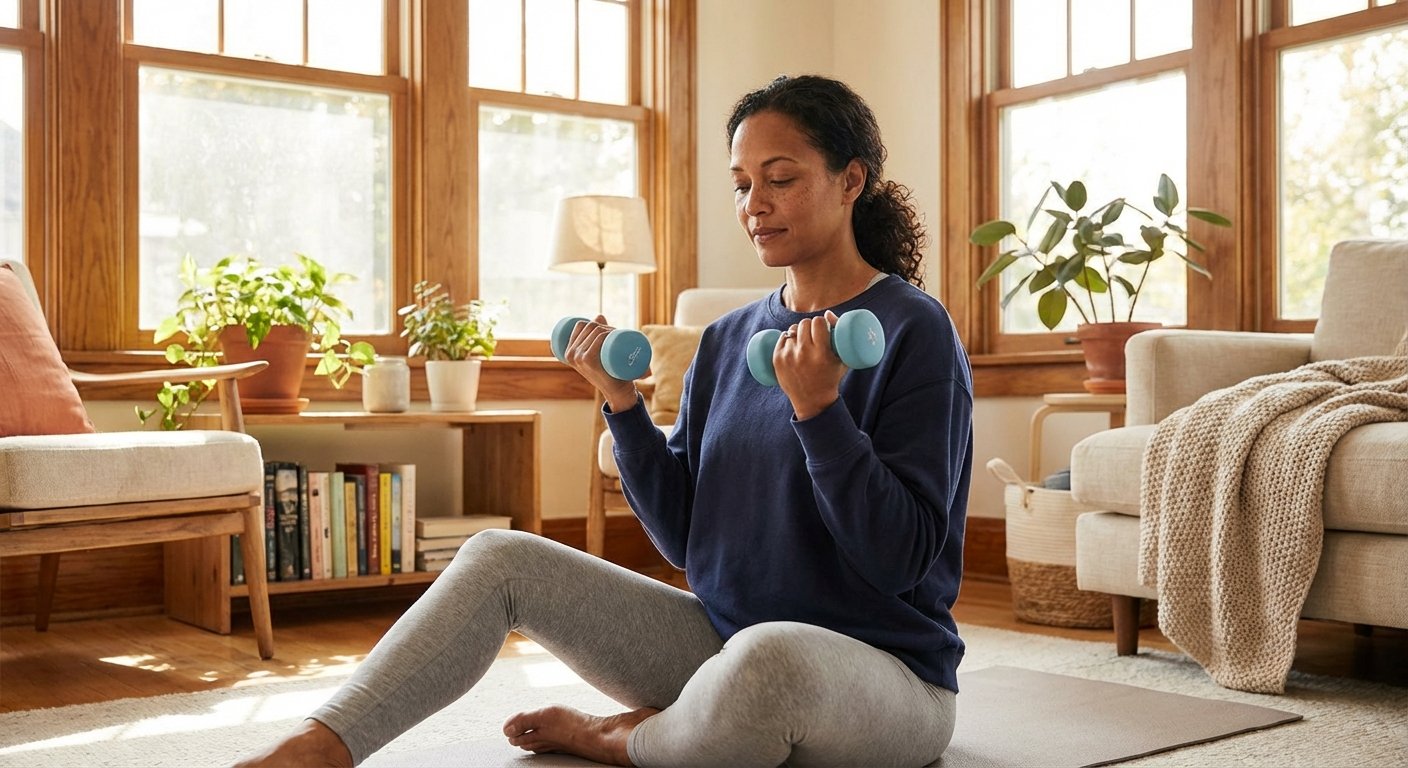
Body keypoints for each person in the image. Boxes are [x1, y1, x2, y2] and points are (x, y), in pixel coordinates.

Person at [235, 73, 973, 768]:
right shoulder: (725, 340)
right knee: (500, 556)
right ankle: (323, 746)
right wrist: (621, 404)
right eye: (743, 184)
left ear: (851, 181)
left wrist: (819, 412)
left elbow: (898, 559)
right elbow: (686, 540)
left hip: (881, 675)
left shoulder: (913, 329)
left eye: (780, 179)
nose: (755, 202)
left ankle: (622, 740)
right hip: (724, 642)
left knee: (767, 661)